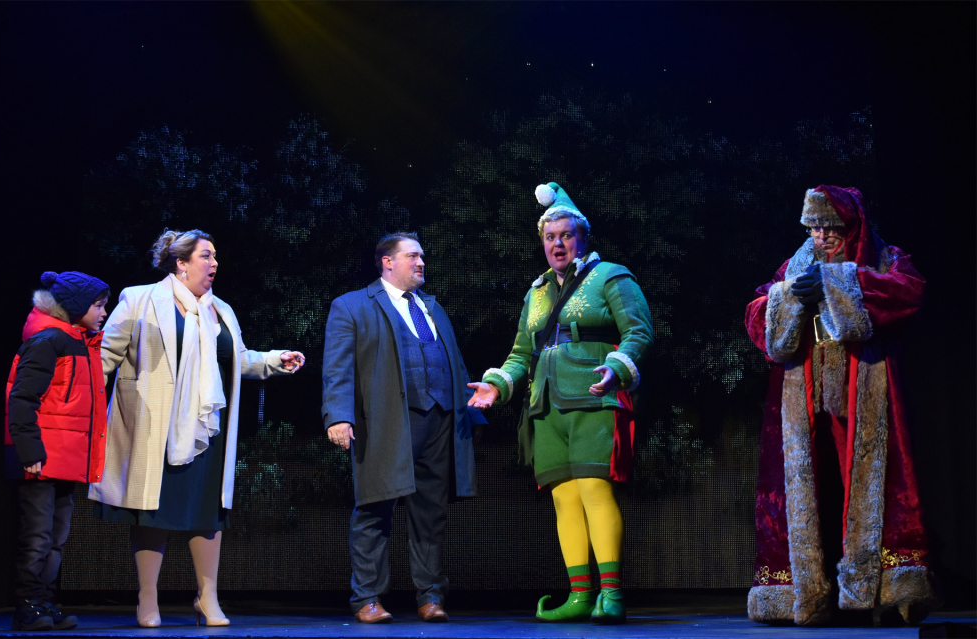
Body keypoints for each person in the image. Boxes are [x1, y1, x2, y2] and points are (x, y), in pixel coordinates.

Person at [88, 229, 305, 628]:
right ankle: (147, 598)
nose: (214, 263)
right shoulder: (139, 299)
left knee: (208, 512)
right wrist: (79, 402)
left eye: (215, 256)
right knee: (151, 510)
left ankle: (208, 598)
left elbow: (238, 358)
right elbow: (106, 355)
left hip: (206, 429)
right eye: (206, 255)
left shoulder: (220, 310)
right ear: (181, 263)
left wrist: (275, 360)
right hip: (153, 426)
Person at [744, 186, 938, 626]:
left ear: (850, 226)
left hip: (862, 387)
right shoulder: (794, 266)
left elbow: (909, 291)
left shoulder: (884, 258)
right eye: (814, 228)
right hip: (805, 392)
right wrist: (789, 296)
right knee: (811, 484)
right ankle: (806, 593)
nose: (821, 236)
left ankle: (886, 590)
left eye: (829, 227)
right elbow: (757, 311)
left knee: (871, 481)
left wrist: (837, 283)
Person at [467, 183, 653, 624]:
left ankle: (612, 594)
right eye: (550, 237)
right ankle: (580, 595)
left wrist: (617, 368)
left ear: (582, 238)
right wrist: (497, 385)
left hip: (593, 396)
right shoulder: (536, 292)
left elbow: (639, 331)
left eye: (566, 235)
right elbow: (521, 353)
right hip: (545, 405)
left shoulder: (611, 276)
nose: (557, 244)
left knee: (593, 488)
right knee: (565, 499)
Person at [321, 232, 485, 624]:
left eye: (422, 256)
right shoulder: (352, 306)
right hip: (386, 423)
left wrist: (470, 410)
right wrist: (338, 415)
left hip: (439, 419)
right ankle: (367, 598)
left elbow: (453, 360)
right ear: (387, 262)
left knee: (430, 514)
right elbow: (337, 367)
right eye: (412, 256)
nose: (421, 262)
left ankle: (430, 596)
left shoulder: (432, 307)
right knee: (375, 507)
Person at [4, 271, 111, 631]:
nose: (103, 312)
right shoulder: (48, 340)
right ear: (77, 306)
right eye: (98, 305)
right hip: (41, 458)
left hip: (65, 457)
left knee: (56, 538)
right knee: (37, 536)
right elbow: (22, 398)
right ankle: (27, 605)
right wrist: (29, 451)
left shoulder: (81, 343)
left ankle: (44, 601)